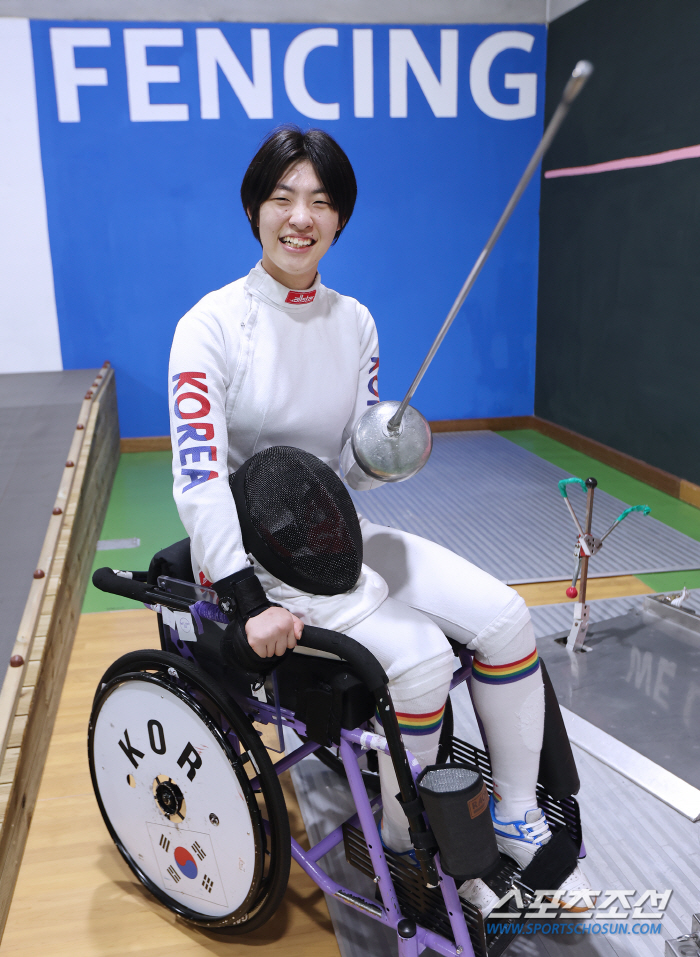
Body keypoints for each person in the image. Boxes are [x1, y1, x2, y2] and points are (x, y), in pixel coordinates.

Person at [168, 126, 590, 914]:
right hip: (250, 558)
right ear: (255, 209)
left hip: (333, 540)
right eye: (283, 198)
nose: (301, 217)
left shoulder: (354, 321)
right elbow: (199, 478)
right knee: (422, 659)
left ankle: (514, 813)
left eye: (320, 202)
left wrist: (381, 451)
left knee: (504, 618)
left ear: (340, 217)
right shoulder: (210, 326)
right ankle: (405, 847)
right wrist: (247, 601)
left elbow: (346, 465)